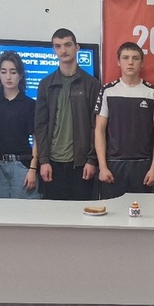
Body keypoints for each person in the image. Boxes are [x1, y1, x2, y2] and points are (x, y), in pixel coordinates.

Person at [35, 28, 100, 200]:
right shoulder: (45, 84)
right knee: (54, 214)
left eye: (67, 45)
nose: (63, 50)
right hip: (52, 164)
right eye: (58, 46)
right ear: (54, 50)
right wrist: (44, 161)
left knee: (82, 213)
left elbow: (96, 126)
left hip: (81, 164)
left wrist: (92, 160)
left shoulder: (91, 84)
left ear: (77, 47)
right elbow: (40, 126)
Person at [94, 42, 154, 199]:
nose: (130, 62)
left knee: (142, 212)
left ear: (142, 62)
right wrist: (102, 167)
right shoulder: (108, 91)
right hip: (113, 165)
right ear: (118, 62)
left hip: (143, 166)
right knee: (112, 212)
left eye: (135, 58)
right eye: (125, 58)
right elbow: (99, 130)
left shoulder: (152, 92)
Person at [0, 51, 40, 199]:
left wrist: (33, 168)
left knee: (24, 210)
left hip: (22, 165)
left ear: (20, 75)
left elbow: (37, 139)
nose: (8, 77)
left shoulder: (30, 104)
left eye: (13, 72)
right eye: (3, 72)